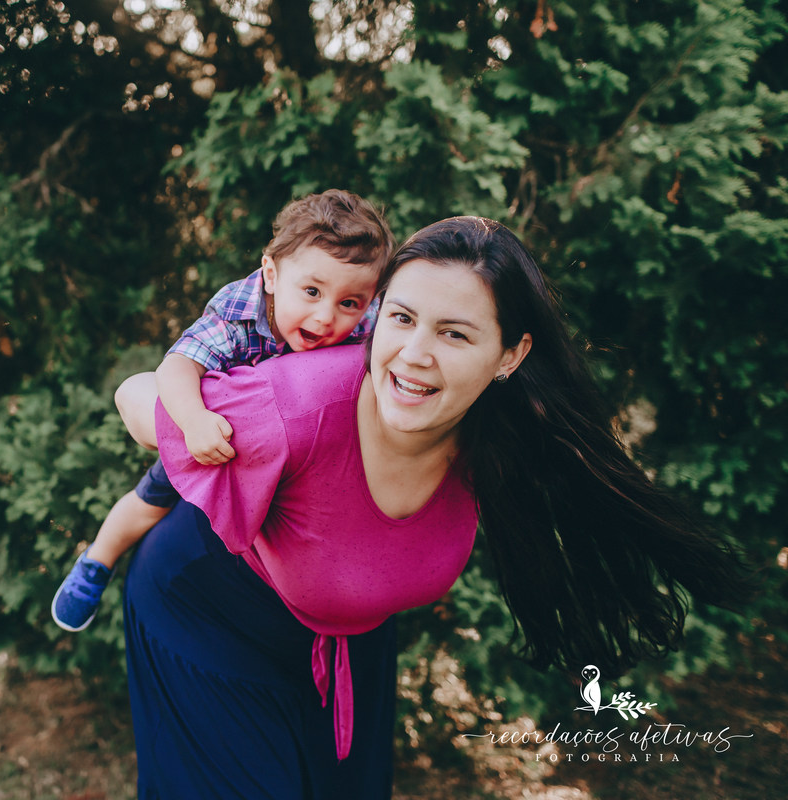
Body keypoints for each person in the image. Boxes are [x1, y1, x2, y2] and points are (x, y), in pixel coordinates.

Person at [115, 216, 752, 799]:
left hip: (345, 638)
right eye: (401, 318)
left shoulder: (500, 436)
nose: (415, 353)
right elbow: (140, 394)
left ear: (510, 356)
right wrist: (180, 425)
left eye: (453, 333)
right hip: (205, 617)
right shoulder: (298, 405)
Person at [51, 189, 395, 631]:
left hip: (298, 446)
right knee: (150, 500)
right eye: (311, 291)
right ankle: (97, 561)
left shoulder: (369, 319)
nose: (327, 316)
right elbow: (177, 366)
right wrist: (193, 422)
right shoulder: (238, 311)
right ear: (271, 274)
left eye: (349, 302)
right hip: (219, 428)